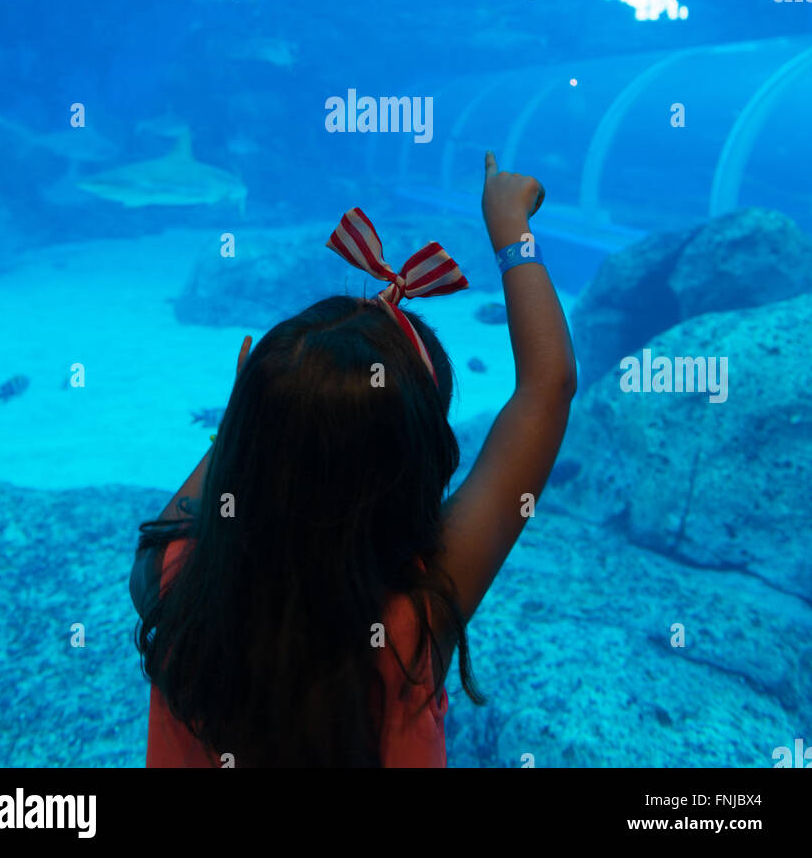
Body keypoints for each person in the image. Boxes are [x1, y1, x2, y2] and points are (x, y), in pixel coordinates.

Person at [131, 150, 577, 767]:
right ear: (414, 472)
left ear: (241, 433)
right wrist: (511, 232)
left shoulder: (168, 576)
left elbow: (243, 460)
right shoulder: (412, 622)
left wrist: (251, 411)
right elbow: (546, 388)